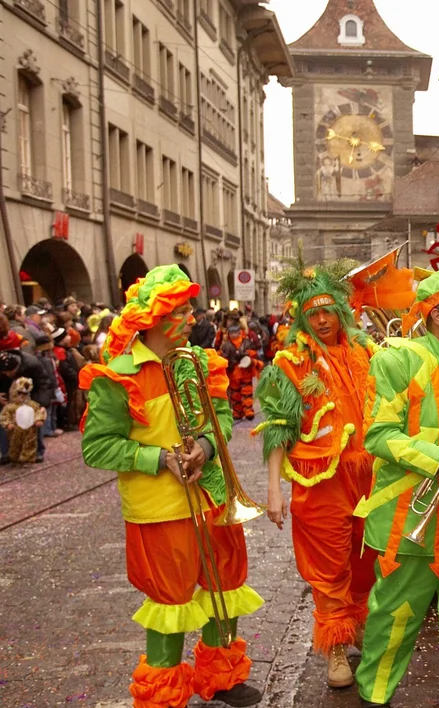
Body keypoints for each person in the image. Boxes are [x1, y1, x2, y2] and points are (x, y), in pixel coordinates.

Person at [80, 265, 263, 708]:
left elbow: (221, 419)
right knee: (169, 601)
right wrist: (159, 458)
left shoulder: (200, 362)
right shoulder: (118, 375)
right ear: (157, 319)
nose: (191, 318)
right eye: (181, 311)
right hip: (160, 509)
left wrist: (203, 446)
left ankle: (223, 676)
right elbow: (97, 448)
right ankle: (162, 694)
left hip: (210, 496)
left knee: (225, 587)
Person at [354, 256, 439, 707]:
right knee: (394, 621)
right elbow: (377, 434)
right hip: (411, 526)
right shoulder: (398, 359)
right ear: (436, 315)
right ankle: (374, 698)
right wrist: (437, 458)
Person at [255, 260, 378, 688]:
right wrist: (273, 490)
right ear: (301, 317)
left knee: (367, 559)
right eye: (313, 313)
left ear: (341, 311)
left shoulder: (364, 351)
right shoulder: (290, 363)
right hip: (321, 481)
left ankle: (356, 625)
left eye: (328, 310)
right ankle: (336, 648)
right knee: (328, 568)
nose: (322, 320)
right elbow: (276, 427)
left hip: (369, 474)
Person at [0, 347, 55, 463]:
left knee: (33, 422)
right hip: (7, 396)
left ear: (15, 368)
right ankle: (6, 453)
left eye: (8, 372)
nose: (6, 374)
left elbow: (44, 383)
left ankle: (38, 451)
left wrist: (41, 404)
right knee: (4, 420)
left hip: (31, 395)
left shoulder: (32, 364)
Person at [216, 316, 261, 421]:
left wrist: (246, 355)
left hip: (245, 372)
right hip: (233, 373)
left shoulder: (246, 342)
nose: (233, 335)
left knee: (247, 392)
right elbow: (223, 356)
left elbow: (253, 353)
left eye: (235, 332)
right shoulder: (226, 345)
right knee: (235, 394)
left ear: (239, 332)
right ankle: (237, 412)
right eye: (231, 333)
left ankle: (249, 411)